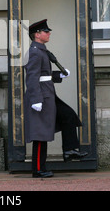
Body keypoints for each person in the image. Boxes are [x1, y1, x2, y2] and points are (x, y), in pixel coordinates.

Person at [24, 19, 87, 178]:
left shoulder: (41, 50)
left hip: (48, 95)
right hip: (41, 97)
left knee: (68, 115)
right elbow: (32, 78)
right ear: (37, 35)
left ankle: (70, 150)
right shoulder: (34, 52)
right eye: (46, 31)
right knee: (40, 134)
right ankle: (38, 169)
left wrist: (60, 74)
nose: (48, 33)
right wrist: (35, 99)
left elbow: (44, 75)